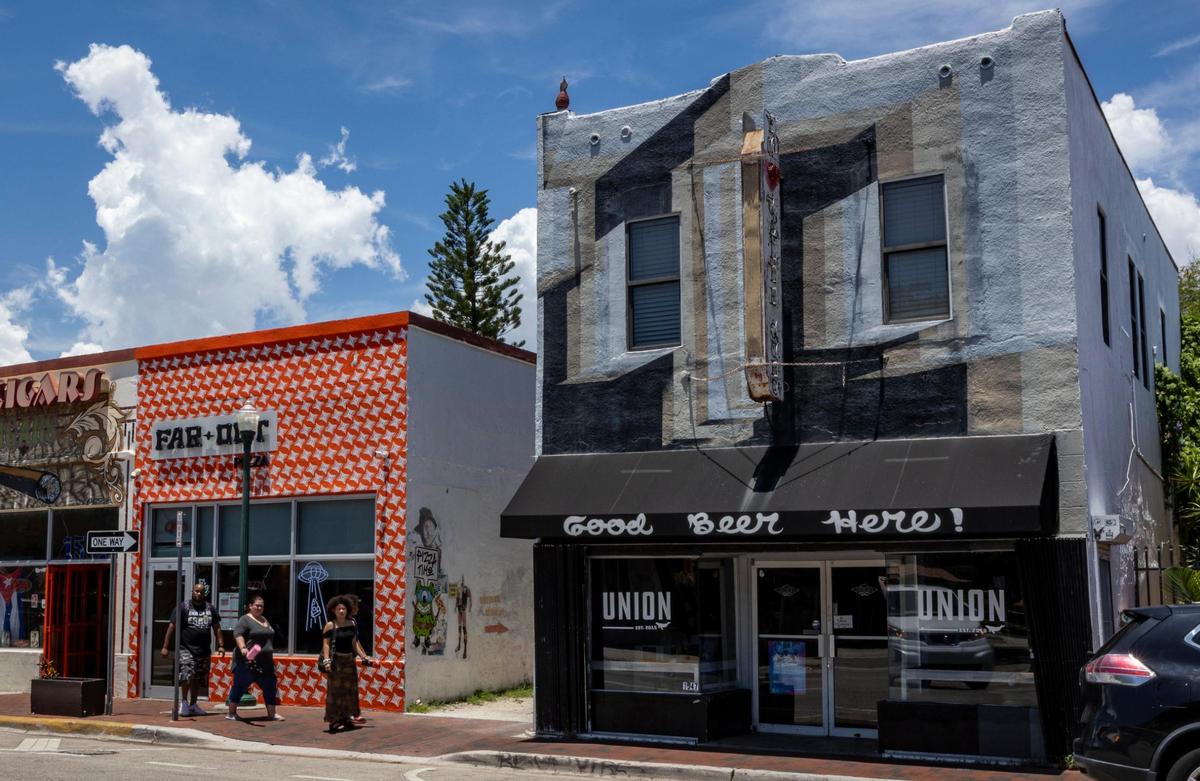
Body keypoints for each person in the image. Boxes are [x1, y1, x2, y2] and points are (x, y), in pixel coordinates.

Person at [161, 582, 224, 716]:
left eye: (201, 591)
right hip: (186, 648)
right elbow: (171, 627)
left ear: (204, 593)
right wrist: (165, 647)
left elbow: (217, 627)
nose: (199, 593)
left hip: (203, 650)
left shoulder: (210, 608)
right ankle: (184, 702)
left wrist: (221, 645)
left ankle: (193, 704)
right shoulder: (183, 607)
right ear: (192, 592)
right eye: (196, 591)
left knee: (198, 678)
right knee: (186, 675)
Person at [226, 594, 284, 722]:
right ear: (250, 606)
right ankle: (231, 713)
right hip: (247, 662)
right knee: (240, 686)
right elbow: (238, 634)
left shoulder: (264, 619)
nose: (259, 608)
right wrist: (243, 648)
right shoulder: (245, 619)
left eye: (261, 606)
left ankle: (272, 714)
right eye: (256, 605)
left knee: (270, 686)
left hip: (265, 663)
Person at [321, 595, 374, 732]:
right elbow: (326, 645)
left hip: (349, 661)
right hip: (336, 662)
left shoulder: (352, 623)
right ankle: (333, 720)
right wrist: (327, 661)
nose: (341, 611)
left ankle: (346, 717)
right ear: (333, 610)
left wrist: (364, 657)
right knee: (335, 691)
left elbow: (355, 642)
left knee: (350, 691)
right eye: (339, 609)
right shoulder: (330, 625)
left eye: (344, 609)